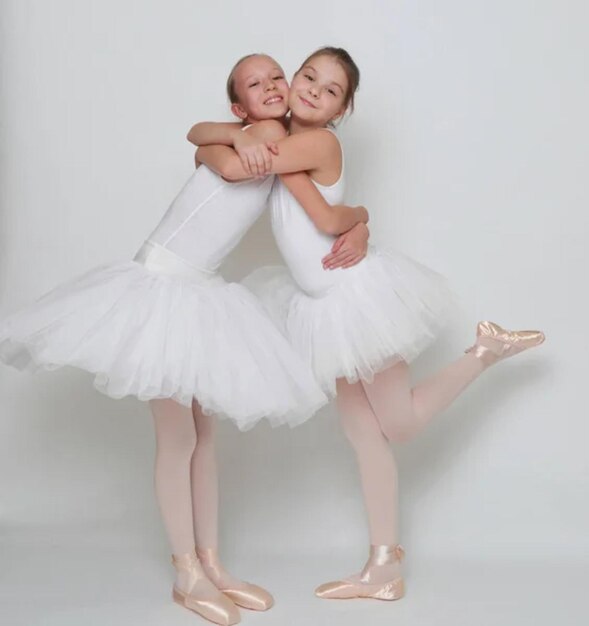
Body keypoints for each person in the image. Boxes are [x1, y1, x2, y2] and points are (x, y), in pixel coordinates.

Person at [0, 53, 368, 625]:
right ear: (238, 105)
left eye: (277, 76)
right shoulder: (265, 135)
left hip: (198, 290)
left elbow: (214, 151)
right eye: (257, 82)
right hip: (159, 286)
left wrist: (358, 219)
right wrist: (222, 142)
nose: (273, 85)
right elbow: (215, 156)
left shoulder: (278, 142)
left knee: (203, 437)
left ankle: (212, 563)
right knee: (178, 439)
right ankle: (186, 572)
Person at [192, 46, 545, 602]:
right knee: (363, 435)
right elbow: (202, 134)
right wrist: (238, 134)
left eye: (330, 90)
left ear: (341, 109)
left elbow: (327, 216)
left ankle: (484, 351)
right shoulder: (275, 132)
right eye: (307, 76)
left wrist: (353, 214)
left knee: (397, 425)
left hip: (355, 300)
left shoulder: (317, 141)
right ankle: (383, 567)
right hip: (322, 308)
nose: (311, 89)